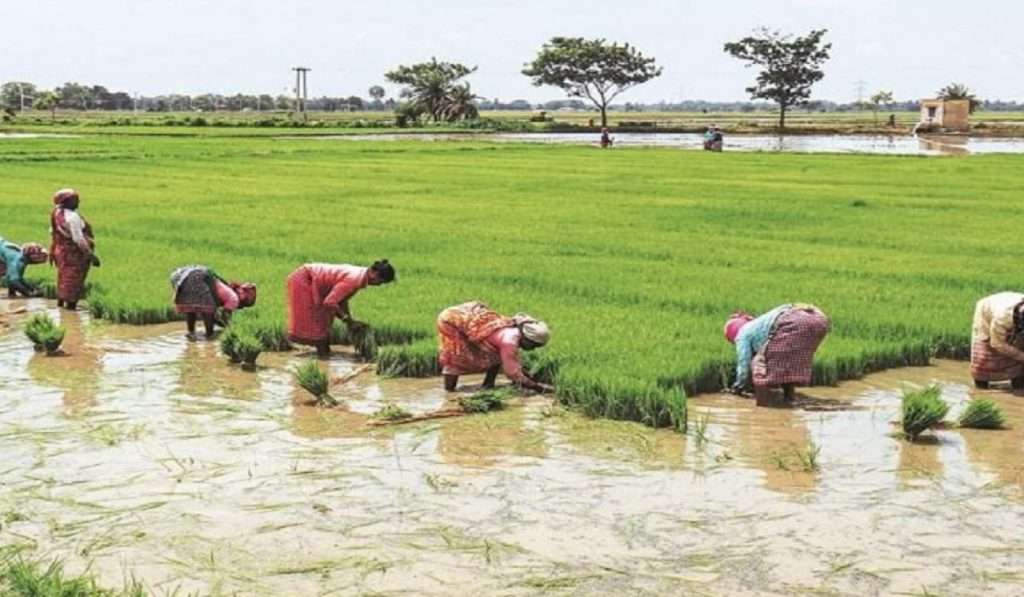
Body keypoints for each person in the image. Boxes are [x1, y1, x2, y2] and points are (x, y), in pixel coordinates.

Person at [724, 304, 830, 406]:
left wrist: (738, 386)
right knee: (786, 363)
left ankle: (764, 406)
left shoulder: (742, 334)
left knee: (759, 365)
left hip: (793, 320)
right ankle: (789, 399)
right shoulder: (758, 325)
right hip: (818, 318)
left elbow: (744, 363)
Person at [437, 300, 553, 393]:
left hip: (462, 316)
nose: (533, 349)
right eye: (533, 345)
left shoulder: (514, 331)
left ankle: (488, 385)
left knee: (496, 355)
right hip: (451, 321)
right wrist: (539, 388)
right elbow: (512, 373)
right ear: (526, 338)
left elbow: (509, 360)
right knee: (456, 356)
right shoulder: (510, 341)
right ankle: (449, 392)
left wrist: (524, 375)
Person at [287, 260, 396, 358]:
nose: (378, 285)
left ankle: (324, 355)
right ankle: (323, 358)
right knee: (317, 321)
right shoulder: (355, 279)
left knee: (323, 321)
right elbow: (330, 302)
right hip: (305, 279)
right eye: (380, 281)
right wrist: (348, 321)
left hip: (313, 280)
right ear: (374, 273)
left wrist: (349, 321)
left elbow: (342, 300)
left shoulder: (361, 277)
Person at [169, 265, 257, 339]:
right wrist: (232, 329)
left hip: (185, 279)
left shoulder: (227, 290)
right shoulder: (234, 299)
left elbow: (219, 317)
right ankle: (209, 336)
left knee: (191, 309)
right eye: (242, 306)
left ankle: (191, 333)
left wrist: (218, 321)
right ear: (242, 302)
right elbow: (224, 318)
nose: (238, 308)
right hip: (198, 278)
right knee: (208, 310)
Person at [50, 188, 100, 310]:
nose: (78, 202)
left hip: (61, 251)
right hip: (74, 254)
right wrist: (91, 256)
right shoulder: (72, 217)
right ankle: (71, 310)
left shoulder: (56, 212)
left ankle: (61, 305)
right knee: (74, 280)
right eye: (75, 200)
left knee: (63, 277)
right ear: (66, 202)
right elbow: (78, 239)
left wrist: (52, 251)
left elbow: (53, 233)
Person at [970, 292, 1024, 389]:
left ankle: (1018, 385)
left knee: (1018, 356)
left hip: (1007, 306)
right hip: (985, 313)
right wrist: (1021, 356)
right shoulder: (1003, 317)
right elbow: (997, 344)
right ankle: (981, 389)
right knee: (984, 356)